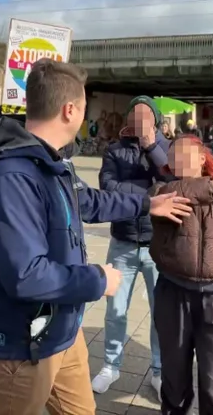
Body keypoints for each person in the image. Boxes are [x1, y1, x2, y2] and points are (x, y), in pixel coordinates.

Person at [0, 59, 193, 415]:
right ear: (70, 110)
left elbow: (89, 201)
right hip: (23, 346)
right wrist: (98, 279)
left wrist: (146, 204)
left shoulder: (52, 164)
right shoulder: (12, 177)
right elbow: (26, 275)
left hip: (64, 331)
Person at [149, 135, 213, 415]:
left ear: (202, 158)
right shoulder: (163, 191)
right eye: (171, 157)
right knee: (174, 379)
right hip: (174, 294)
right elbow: (172, 197)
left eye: (182, 154)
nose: (175, 161)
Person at [92, 96, 172, 397]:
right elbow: (108, 189)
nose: (139, 121)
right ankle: (110, 366)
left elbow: (173, 181)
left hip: (158, 245)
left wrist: (152, 147)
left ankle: (159, 370)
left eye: (145, 115)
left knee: (160, 312)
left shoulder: (167, 149)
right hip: (122, 241)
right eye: (134, 115)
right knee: (115, 310)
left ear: (155, 119)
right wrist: (150, 196)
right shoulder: (114, 150)